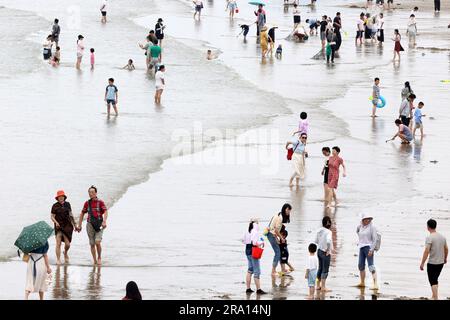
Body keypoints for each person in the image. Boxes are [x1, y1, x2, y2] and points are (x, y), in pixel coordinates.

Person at [77, 186, 109, 266]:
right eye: (89, 192)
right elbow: (82, 214)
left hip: (99, 224)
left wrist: (104, 221)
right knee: (92, 244)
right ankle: (94, 261)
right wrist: (79, 225)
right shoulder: (87, 203)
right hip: (90, 224)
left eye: (92, 192)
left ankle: (99, 258)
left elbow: (105, 211)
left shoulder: (100, 202)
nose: (91, 194)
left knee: (97, 242)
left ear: (96, 193)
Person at [420, 219, 448, 300]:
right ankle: (433, 296)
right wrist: (445, 258)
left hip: (432, 263)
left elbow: (426, 251)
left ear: (428, 227)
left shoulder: (429, 237)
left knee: (432, 281)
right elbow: (446, 249)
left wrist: (422, 263)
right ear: (435, 226)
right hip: (440, 263)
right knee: (435, 279)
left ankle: (435, 298)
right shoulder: (442, 237)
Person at [51, 190, 76, 265]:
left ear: (64, 197)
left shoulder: (68, 204)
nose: (61, 198)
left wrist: (75, 225)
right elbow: (52, 216)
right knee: (58, 243)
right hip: (58, 226)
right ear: (57, 198)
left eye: (62, 196)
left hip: (67, 226)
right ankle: (58, 260)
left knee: (67, 244)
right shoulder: (55, 206)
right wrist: (56, 222)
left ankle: (65, 253)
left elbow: (71, 215)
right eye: (59, 197)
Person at [266, 204, 291, 277]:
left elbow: (274, 228)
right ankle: (273, 271)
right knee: (277, 252)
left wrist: (277, 238)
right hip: (271, 234)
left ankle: (281, 269)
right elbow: (276, 230)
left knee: (279, 252)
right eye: (288, 210)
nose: (289, 212)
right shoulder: (280, 218)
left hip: (272, 234)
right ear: (285, 209)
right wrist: (282, 238)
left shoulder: (280, 215)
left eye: (289, 210)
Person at [242, 219, 266, 294]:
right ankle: (258, 289)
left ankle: (248, 288)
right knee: (257, 271)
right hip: (254, 250)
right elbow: (254, 242)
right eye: (258, 223)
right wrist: (261, 243)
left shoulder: (247, 230)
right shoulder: (254, 230)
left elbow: (243, 240)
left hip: (247, 249)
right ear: (256, 223)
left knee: (250, 269)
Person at [356, 213, 379, 290]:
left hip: (369, 247)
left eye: (368, 219)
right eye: (365, 219)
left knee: (371, 266)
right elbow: (357, 232)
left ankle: (375, 284)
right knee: (360, 265)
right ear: (362, 220)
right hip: (361, 247)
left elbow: (375, 239)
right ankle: (362, 282)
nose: (367, 220)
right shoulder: (360, 227)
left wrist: (371, 249)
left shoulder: (372, 227)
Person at [315, 216, 333, 292]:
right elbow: (328, 241)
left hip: (319, 251)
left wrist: (321, 244)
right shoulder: (329, 232)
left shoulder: (319, 230)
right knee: (325, 270)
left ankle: (318, 285)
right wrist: (328, 250)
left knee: (320, 268)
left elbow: (315, 241)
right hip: (325, 252)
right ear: (328, 223)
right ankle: (323, 287)